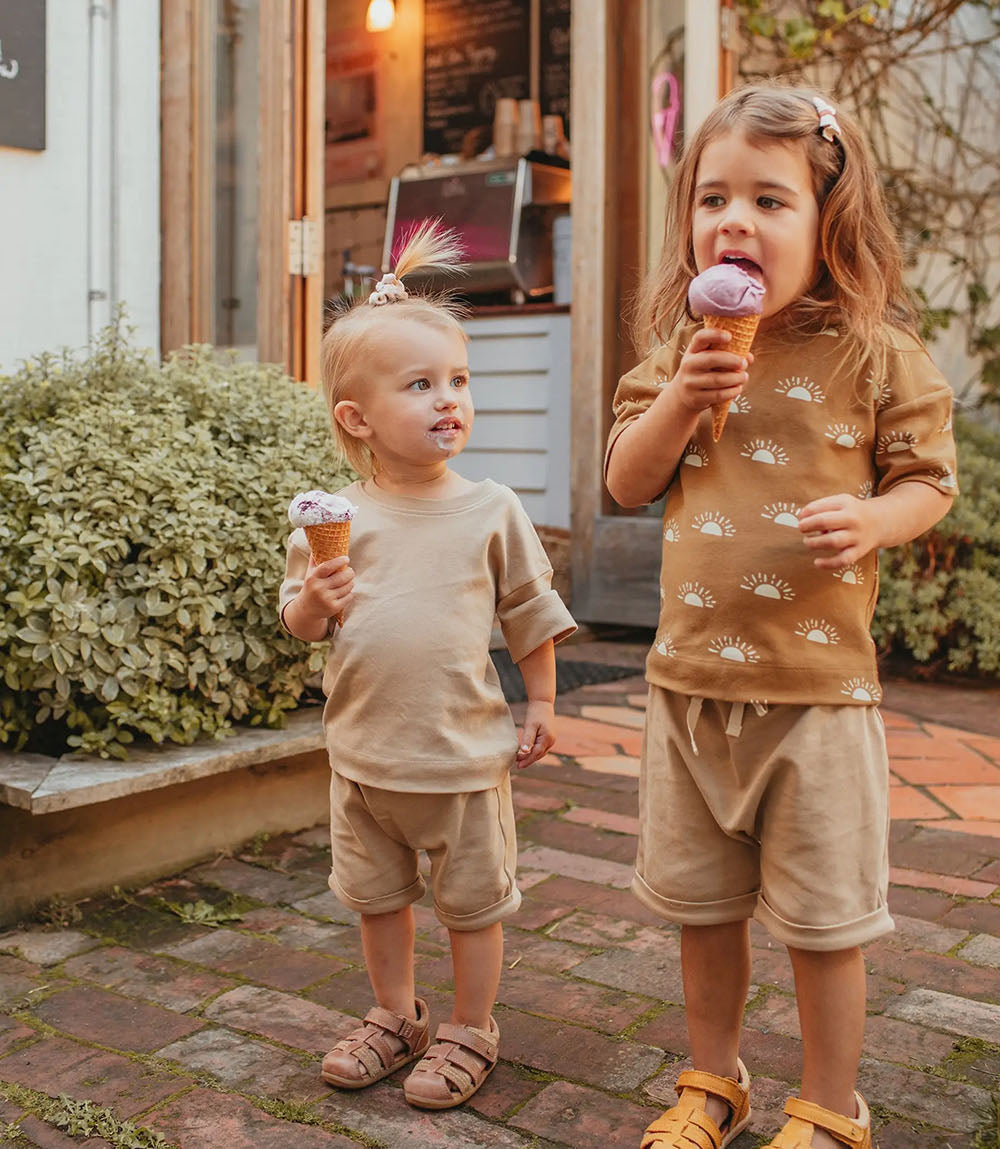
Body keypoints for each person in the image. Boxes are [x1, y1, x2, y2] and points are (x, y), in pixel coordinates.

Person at [605, 84, 957, 1149]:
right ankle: (713, 1079)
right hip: (691, 689)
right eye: (713, 198)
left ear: (828, 220)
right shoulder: (679, 352)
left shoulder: (875, 353)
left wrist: (874, 519)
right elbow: (626, 480)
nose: (735, 221)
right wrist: (683, 396)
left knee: (823, 922)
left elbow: (928, 479)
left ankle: (833, 1103)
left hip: (817, 695)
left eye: (769, 200)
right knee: (702, 910)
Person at [279, 221, 576, 1110]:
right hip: (364, 757)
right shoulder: (334, 521)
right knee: (377, 899)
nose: (450, 400)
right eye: (421, 385)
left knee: (472, 906)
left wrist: (542, 700)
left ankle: (471, 1024)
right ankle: (396, 1012)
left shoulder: (491, 508)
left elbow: (528, 611)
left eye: (459, 380)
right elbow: (299, 624)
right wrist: (315, 598)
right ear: (356, 418)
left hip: (460, 759)